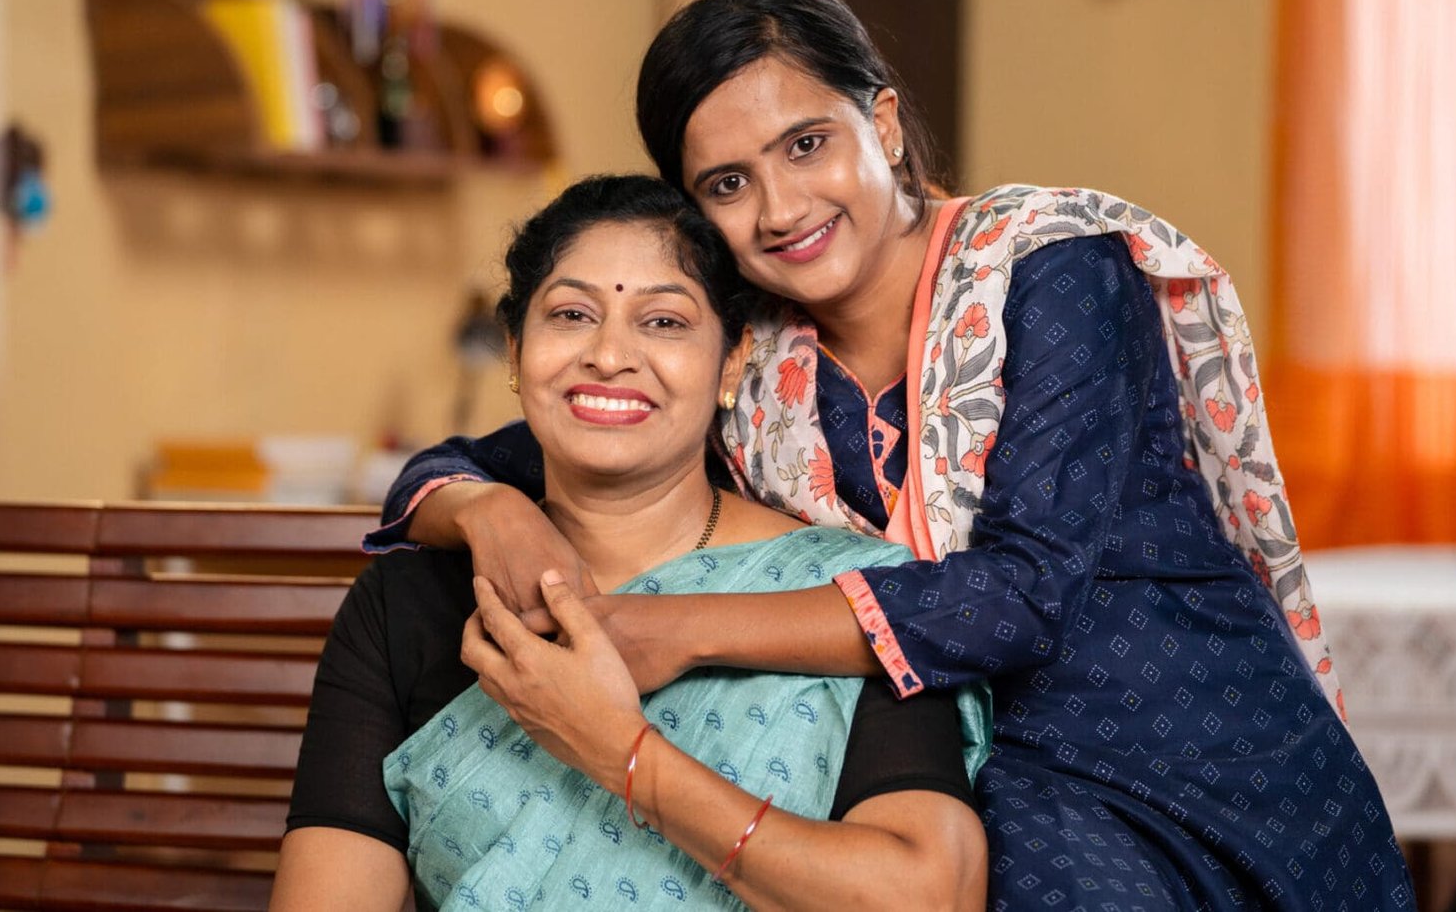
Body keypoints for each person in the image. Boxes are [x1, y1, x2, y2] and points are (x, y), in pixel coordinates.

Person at [373, 0, 1416, 910]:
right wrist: (489, 509)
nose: (780, 207)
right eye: (725, 184)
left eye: (806, 144)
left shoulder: (1048, 271)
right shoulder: (749, 363)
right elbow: (496, 447)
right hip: (976, 774)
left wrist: (678, 630)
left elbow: (1020, 595)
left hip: (1195, 752)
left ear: (883, 121)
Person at [271, 174, 991, 912]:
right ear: (516, 352)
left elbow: (928, 898)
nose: (610, 354)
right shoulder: (410, 603)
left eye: (665, 322)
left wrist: (620, 749)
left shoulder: (850, 603)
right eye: (573, 314)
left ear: (732, 362)